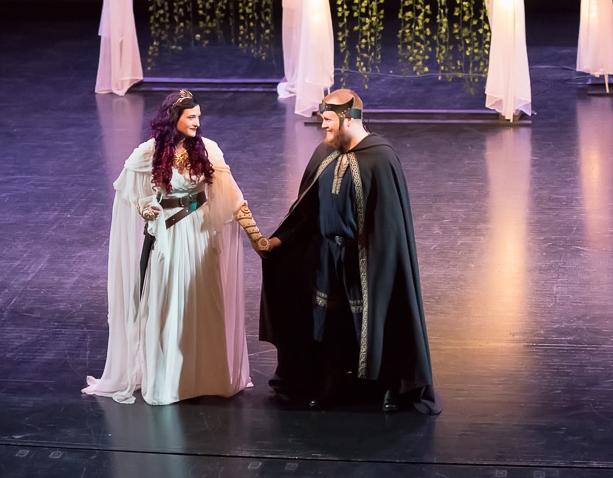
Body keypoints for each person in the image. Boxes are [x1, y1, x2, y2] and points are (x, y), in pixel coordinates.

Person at [258, 89, 440, 413]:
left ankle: (388, 384)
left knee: (375, 321)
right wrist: (279, 242)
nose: (324, 128)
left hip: (369, 260)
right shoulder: (325, 154)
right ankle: (330, 380)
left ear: (347, 119)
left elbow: (390, 225)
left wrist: (378, 260)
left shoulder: (381, 159)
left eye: (328, 121)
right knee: (327, 323)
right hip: (328, 257)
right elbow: (306, 211)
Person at [84, 89, 270, 405]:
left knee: (203, 302)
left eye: (199, 116)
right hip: (168, 238)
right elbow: (129, 190)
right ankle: (171, 382)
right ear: (174, 118)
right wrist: (144, 206)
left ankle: (208, 378)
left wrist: (256, 236)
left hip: (201, 238)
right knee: (169, 305)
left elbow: (232, 197)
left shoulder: (209, 150)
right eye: (191, 116)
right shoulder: (148, 152)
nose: (198, 122)